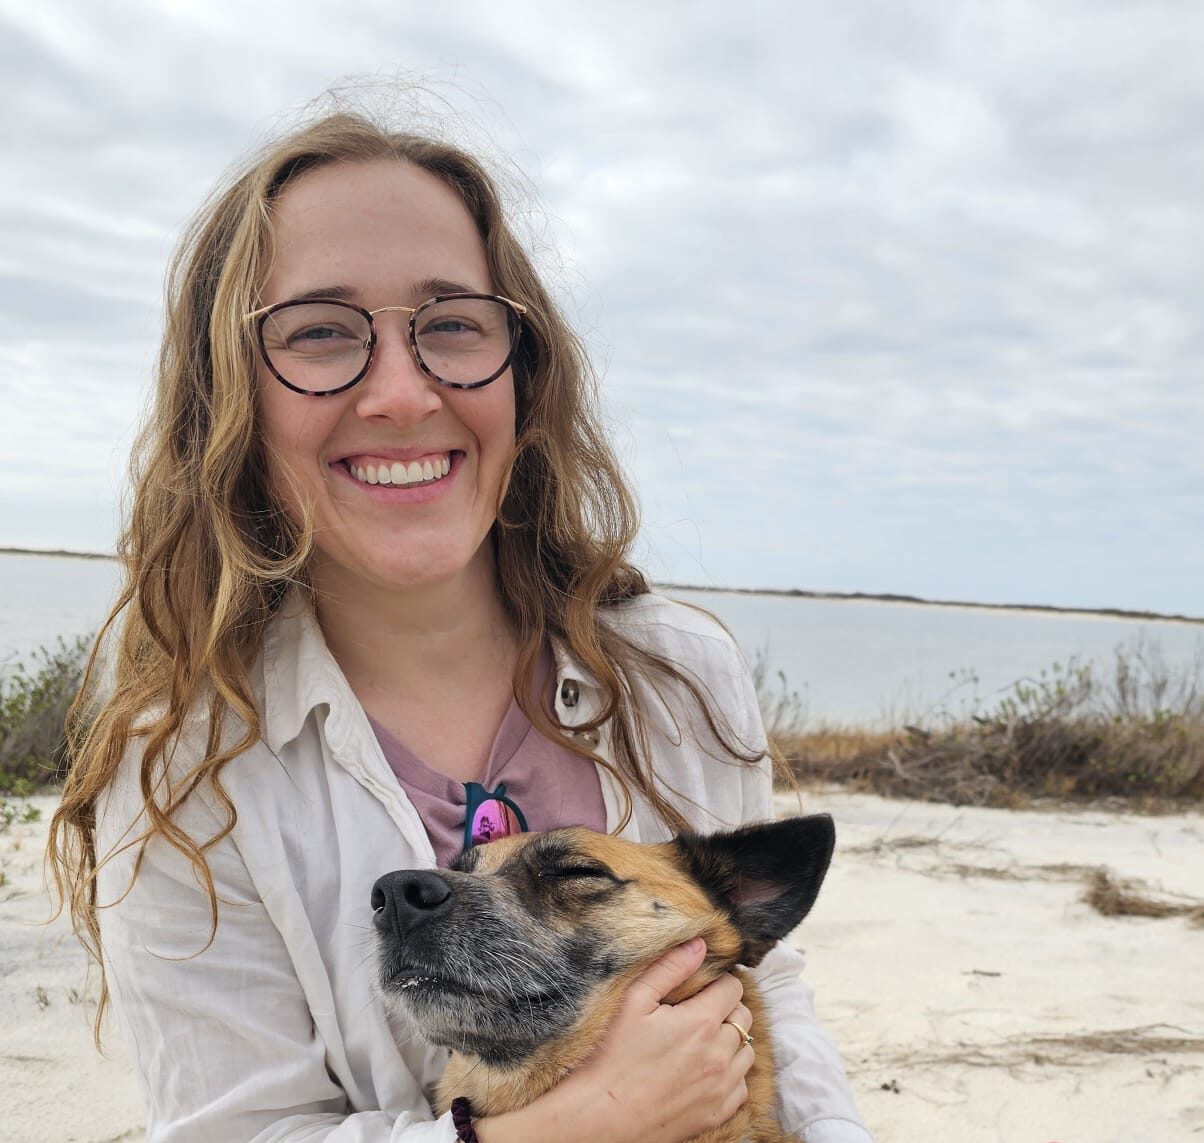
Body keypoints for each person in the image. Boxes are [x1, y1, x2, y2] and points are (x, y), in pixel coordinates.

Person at [46, 108, 872, 1143]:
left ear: (524, 373)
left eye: (451, 325)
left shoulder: (678, 673)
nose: (400, 393)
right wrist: (571, 1126)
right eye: (318, 332)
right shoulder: (183, 767)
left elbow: (768, 987)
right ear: (231, 403)